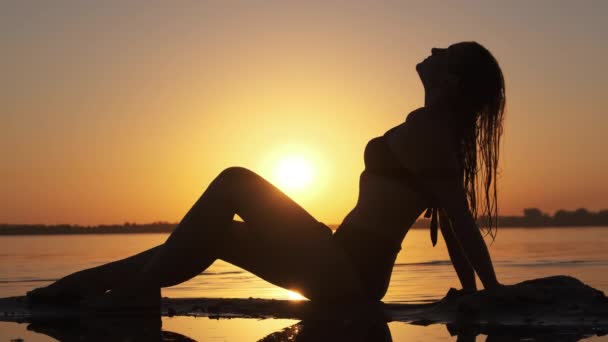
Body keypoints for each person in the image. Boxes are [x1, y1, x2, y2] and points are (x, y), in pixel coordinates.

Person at [27, 41, 505, 310]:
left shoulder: (431, 134)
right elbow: (452, 218)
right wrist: (471, 293)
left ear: (452, 80)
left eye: (446, 52)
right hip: (338, 257)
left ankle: (125, 294)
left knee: (236, 179)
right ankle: (85, 284)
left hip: (351, 273)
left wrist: (491, 293)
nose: (434, 49)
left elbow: (459, 223)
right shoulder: (428, 129)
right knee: (220, 235)